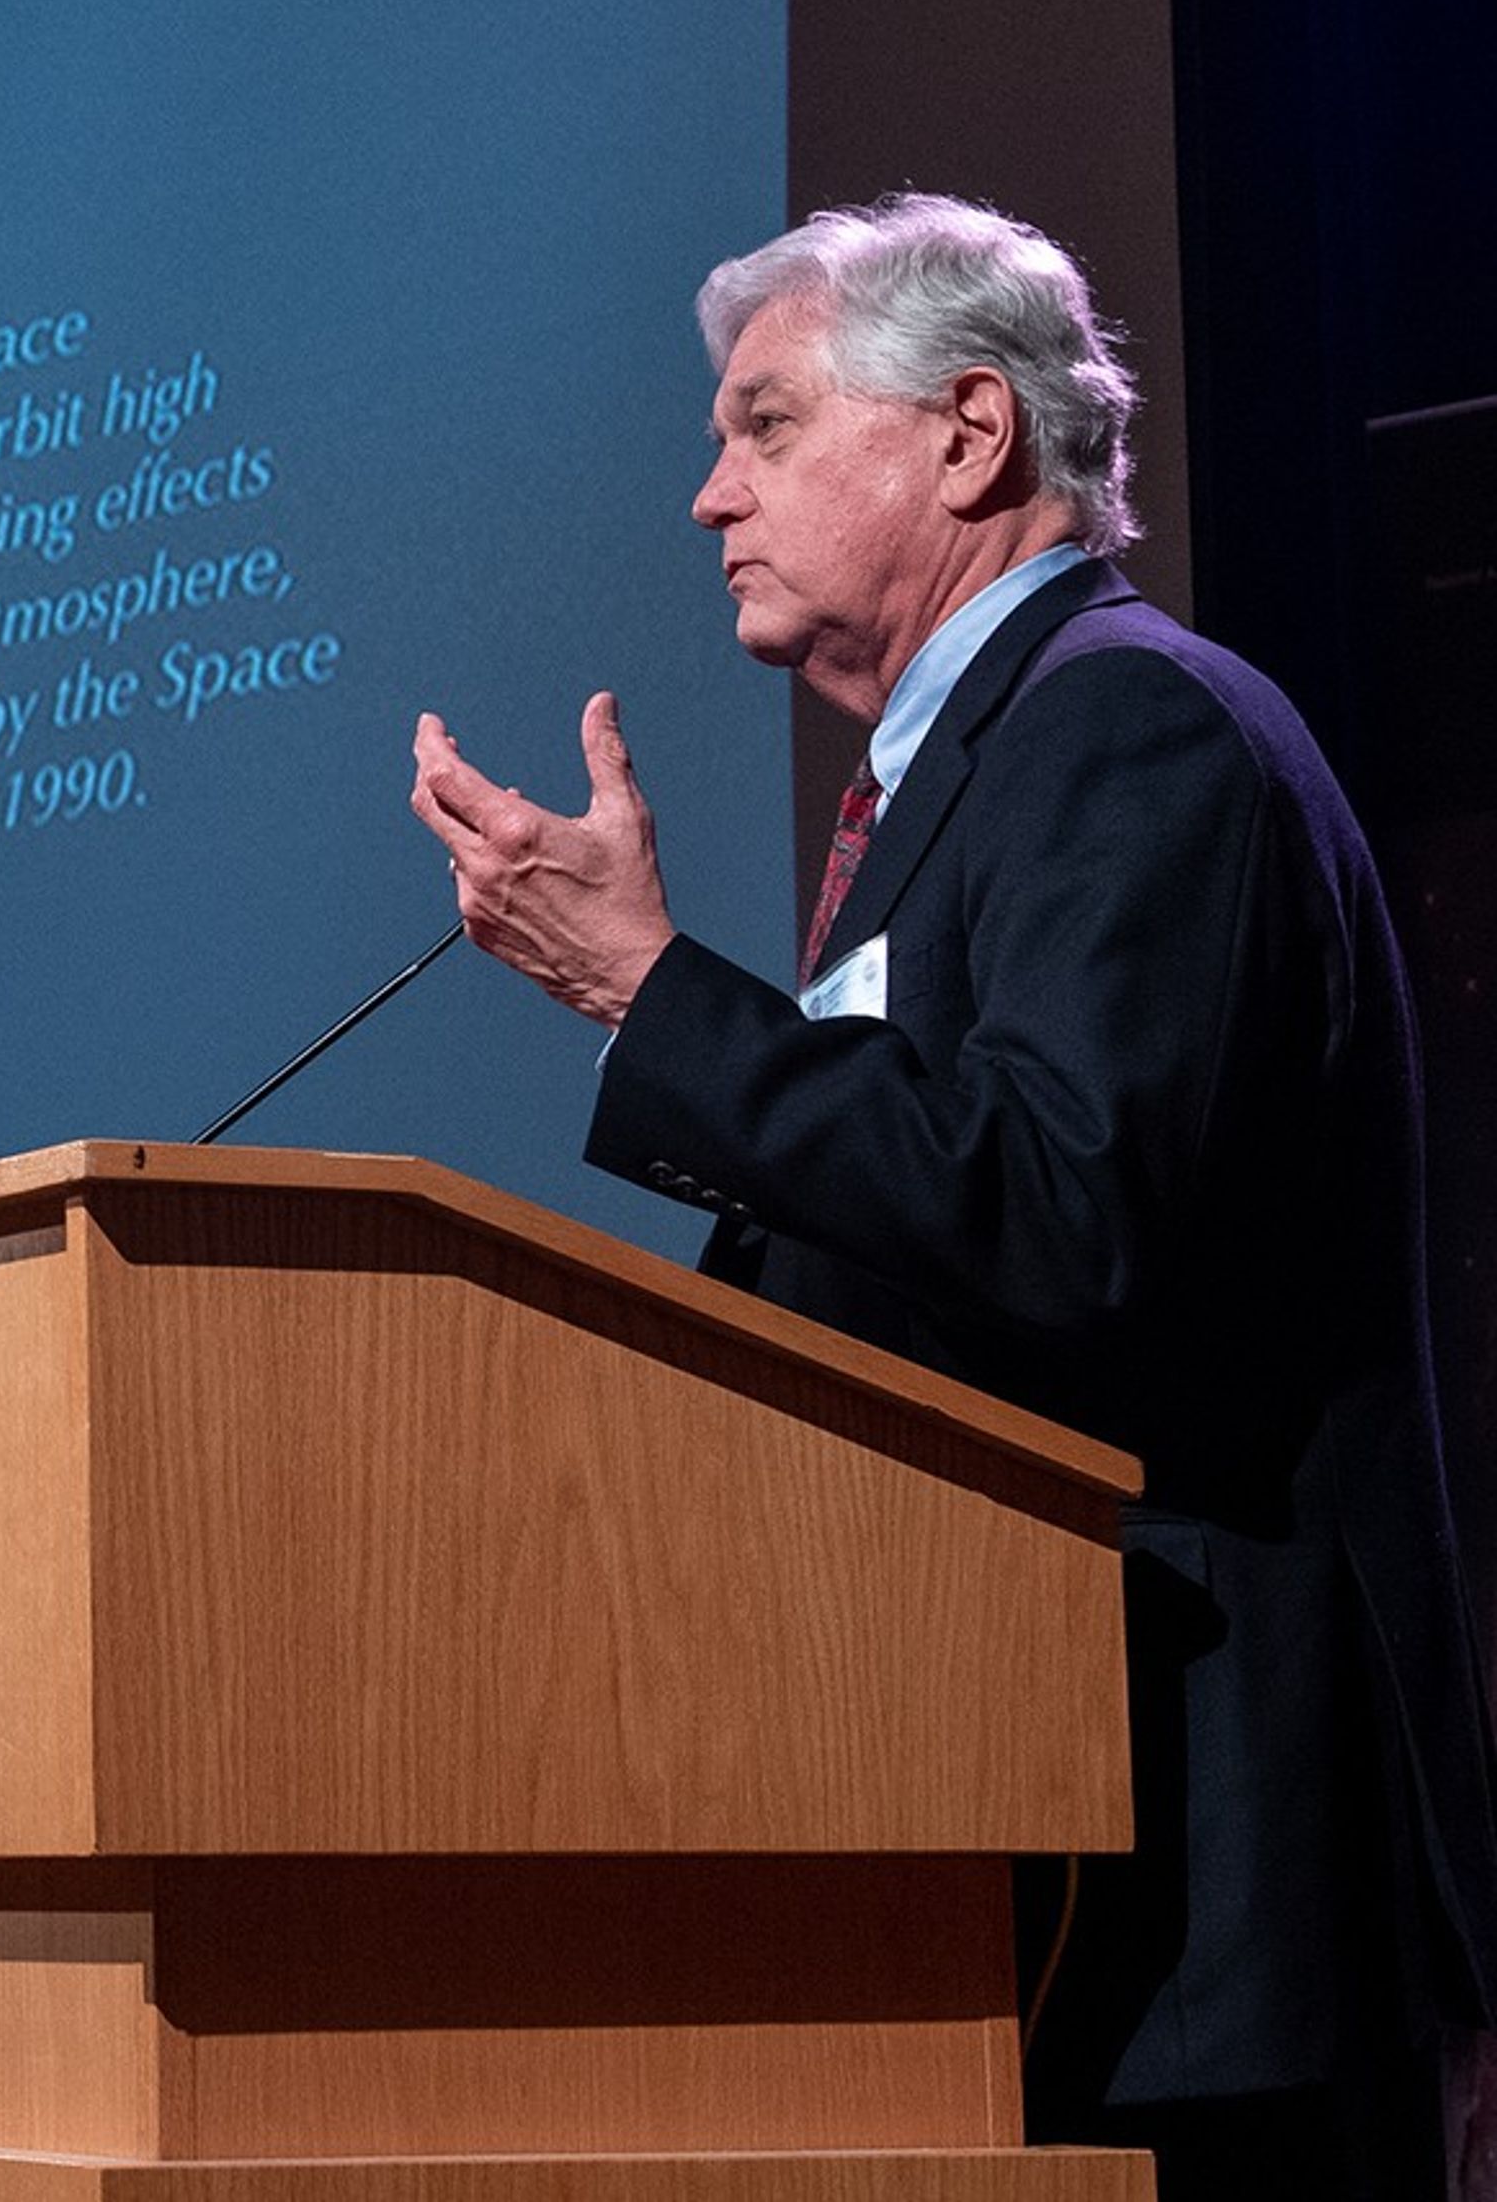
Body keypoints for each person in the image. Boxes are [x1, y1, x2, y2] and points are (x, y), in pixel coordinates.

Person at [409, 192, 1497, 2196]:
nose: (705, 496)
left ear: (968, 436)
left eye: (761, 426)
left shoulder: (1128, 730)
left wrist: (656, 996)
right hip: (1049, 1832)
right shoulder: (989, 766)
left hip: (1206, 1874)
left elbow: (1061, 1206)